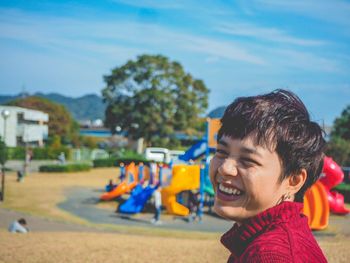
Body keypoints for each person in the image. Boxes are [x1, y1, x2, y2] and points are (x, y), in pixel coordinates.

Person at [210, 89, 327, 262]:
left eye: (247, 160)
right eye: (221, 152)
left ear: (293, 180)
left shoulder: (272, 256)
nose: (225, 168)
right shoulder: (268, 240)